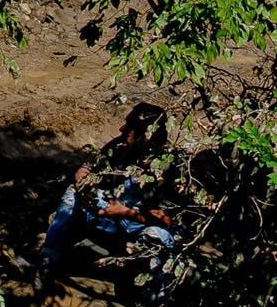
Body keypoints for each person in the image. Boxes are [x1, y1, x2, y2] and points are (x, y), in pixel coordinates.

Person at [42, 103, 185, 274]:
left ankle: (154, 294)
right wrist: (83, 178)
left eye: (131, 128)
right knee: (72, 194)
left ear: (146, 135)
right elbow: (88, 167)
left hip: (139, 224)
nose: (122, 129)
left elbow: (169, 221)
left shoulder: (170, 165)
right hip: (112, 215)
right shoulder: (119, 146)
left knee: (158, 236)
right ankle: (48, 259)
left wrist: (124, 211)